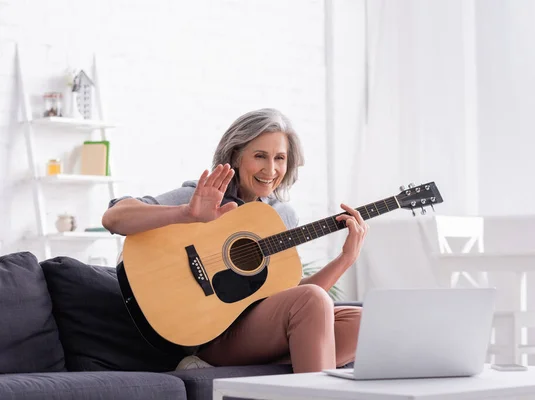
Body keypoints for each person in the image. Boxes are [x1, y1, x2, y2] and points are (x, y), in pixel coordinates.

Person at [102, 108, 368, 373]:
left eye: (280, 158)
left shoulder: (282, 215)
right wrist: (187, 214)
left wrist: (346, 259)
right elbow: (114, 218)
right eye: (260, 156)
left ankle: (224, 370)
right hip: (210, 333)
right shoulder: (205, 197)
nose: (271, 169)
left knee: (363, 323)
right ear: (236, 156)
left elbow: (292, 297)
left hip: (258, 330)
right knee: (312, 300)